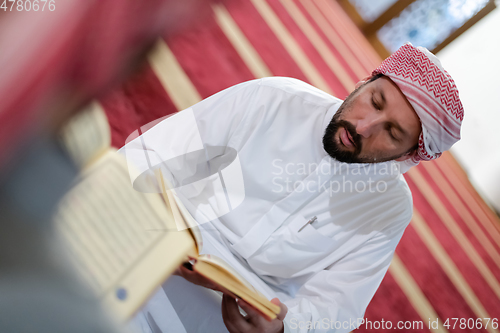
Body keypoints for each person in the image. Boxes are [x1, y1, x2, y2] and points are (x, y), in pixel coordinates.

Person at [122, 43, 463, 333]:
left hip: (238, 313)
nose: (363, 127)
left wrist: (285, 326)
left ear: (407, 156)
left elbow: (338, 308)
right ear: (364, 82)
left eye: (391, 132)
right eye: (374, 101)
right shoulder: (275, 98)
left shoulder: (390, 209)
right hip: (159, 241)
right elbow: (150, 156)